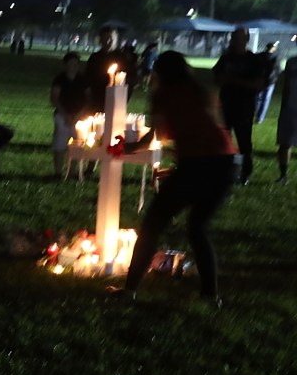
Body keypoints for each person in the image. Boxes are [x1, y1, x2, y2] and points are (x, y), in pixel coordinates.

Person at [112, 51, 237, 306]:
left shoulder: (163, 95)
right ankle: (211, 295)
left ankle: (129, 290)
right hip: (224, 164)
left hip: (195, 165)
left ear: (159, 73)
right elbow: (213, 129)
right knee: (198, 228)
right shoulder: (201, 91)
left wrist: (128, 147)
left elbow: (157, 135)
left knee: (152, 226)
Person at [211, 27, 263, 185]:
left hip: (244, 107)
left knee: (244, 142)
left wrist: (235, 81)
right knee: (223, 139)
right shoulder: (226, 58)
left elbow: (258, 84)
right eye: (234, 37)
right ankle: (222, 171)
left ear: (246, 40)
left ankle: (245, 173)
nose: (235, 41)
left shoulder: (253, 60)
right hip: (226, 105)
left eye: (240, 37)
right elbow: (217, 78)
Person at [50, 52, 87, 179]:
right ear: (65, 65)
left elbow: (88, 99)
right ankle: (58, 172)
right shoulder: (59, 79)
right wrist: (65, 114)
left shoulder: (83, 80)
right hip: (62, 115)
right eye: (70, 63)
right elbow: (54, 98)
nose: (73, 66)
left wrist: (79, 115)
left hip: (79, 117)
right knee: (59, 143)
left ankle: (72, 171)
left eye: (75, 64)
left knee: (77, 143)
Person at [276, 53, 297, 184]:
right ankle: (283, 175)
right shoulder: (291, 62)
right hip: (290, 108)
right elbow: (286, 85)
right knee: (285, 142)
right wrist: (284, 106)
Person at [255, 41, 280, 124]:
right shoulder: (275, 57)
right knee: (265, 99)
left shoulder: (259, 56)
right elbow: (277, 70)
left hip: (260, 79)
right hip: (270, 81)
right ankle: (260, 118)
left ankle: (256, 114)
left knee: (258, 98)